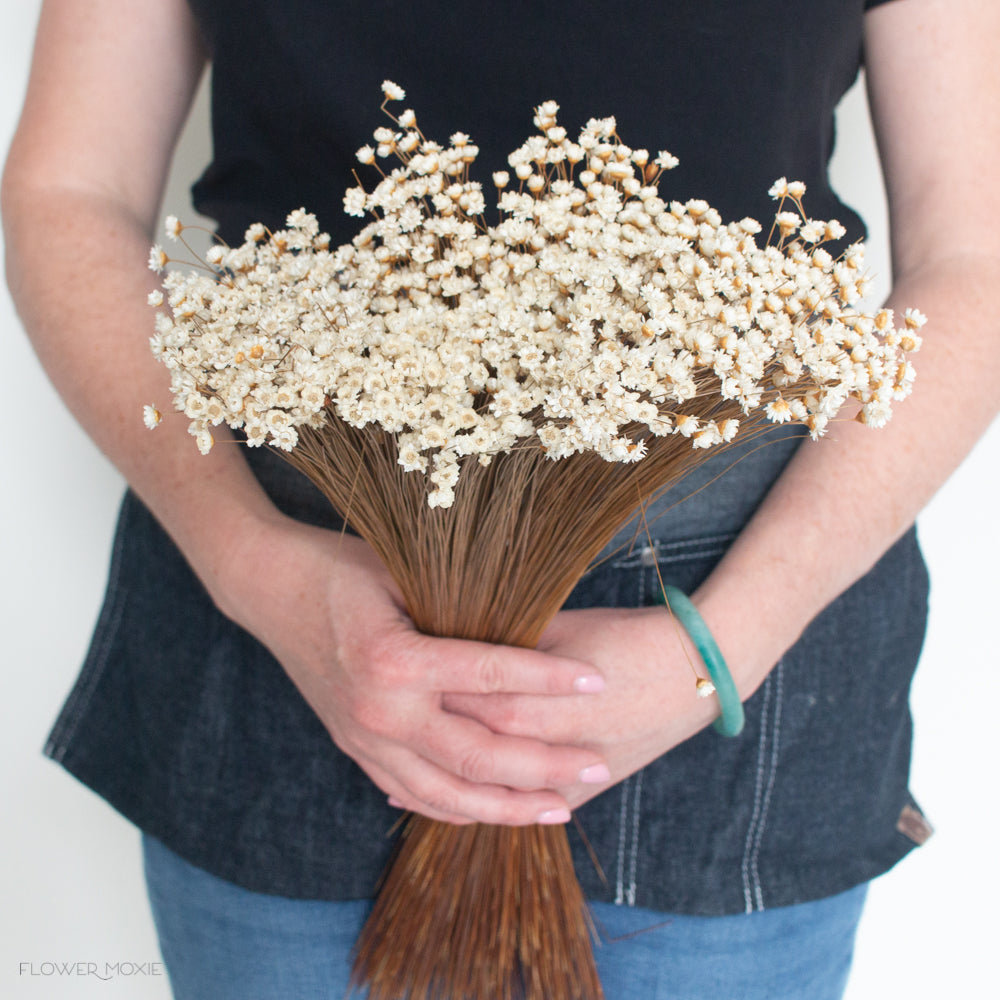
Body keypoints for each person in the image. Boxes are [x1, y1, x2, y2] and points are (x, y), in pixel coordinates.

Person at [4, 1, 998, 997]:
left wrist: (725, 643)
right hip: (295, 625)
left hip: (734, 648)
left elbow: (972, 257)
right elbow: (71, 189)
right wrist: (252, 564)